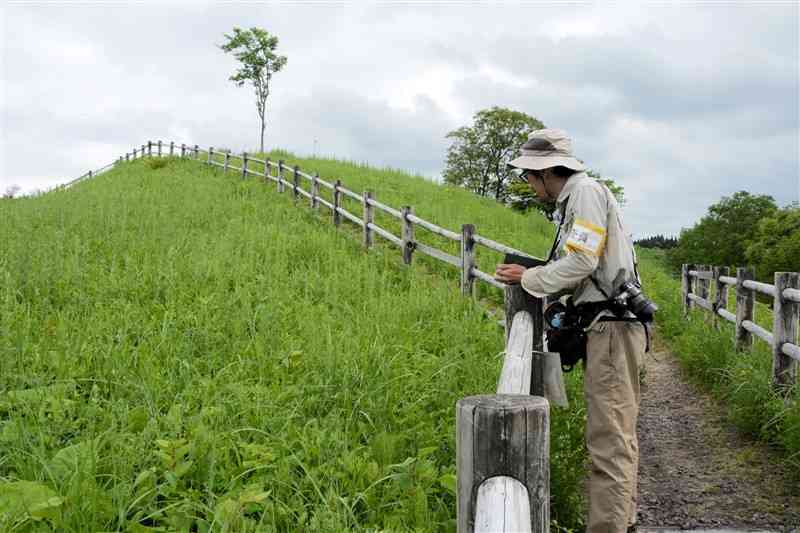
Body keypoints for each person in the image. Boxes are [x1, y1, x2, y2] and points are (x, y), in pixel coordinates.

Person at [494, 128, 647, 533]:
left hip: (611, 328)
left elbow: (581, 263)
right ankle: (622, 521)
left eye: (529, 175)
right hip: (612, 326)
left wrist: (530, 277)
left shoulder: (583, 194)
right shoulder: (578, 198)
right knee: (616, 434)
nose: (528, 183)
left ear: (547, 172)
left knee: (608, 439)